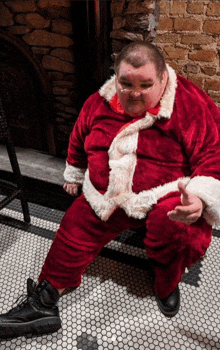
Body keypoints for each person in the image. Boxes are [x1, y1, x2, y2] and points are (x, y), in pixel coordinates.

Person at [1, 41, 220, 339]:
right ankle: (45, 301)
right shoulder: (98, 102)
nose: (134, 93)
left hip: (165, 195)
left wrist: (199, 196)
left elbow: (214, 154)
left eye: (146, 84)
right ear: (115, 78)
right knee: (74, 227)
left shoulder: (191, 104)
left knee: (176, 234)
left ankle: (165, 281)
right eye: (126, 83)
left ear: (164, 79)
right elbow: (78, 137)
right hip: (108, 192)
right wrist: (75, 172)